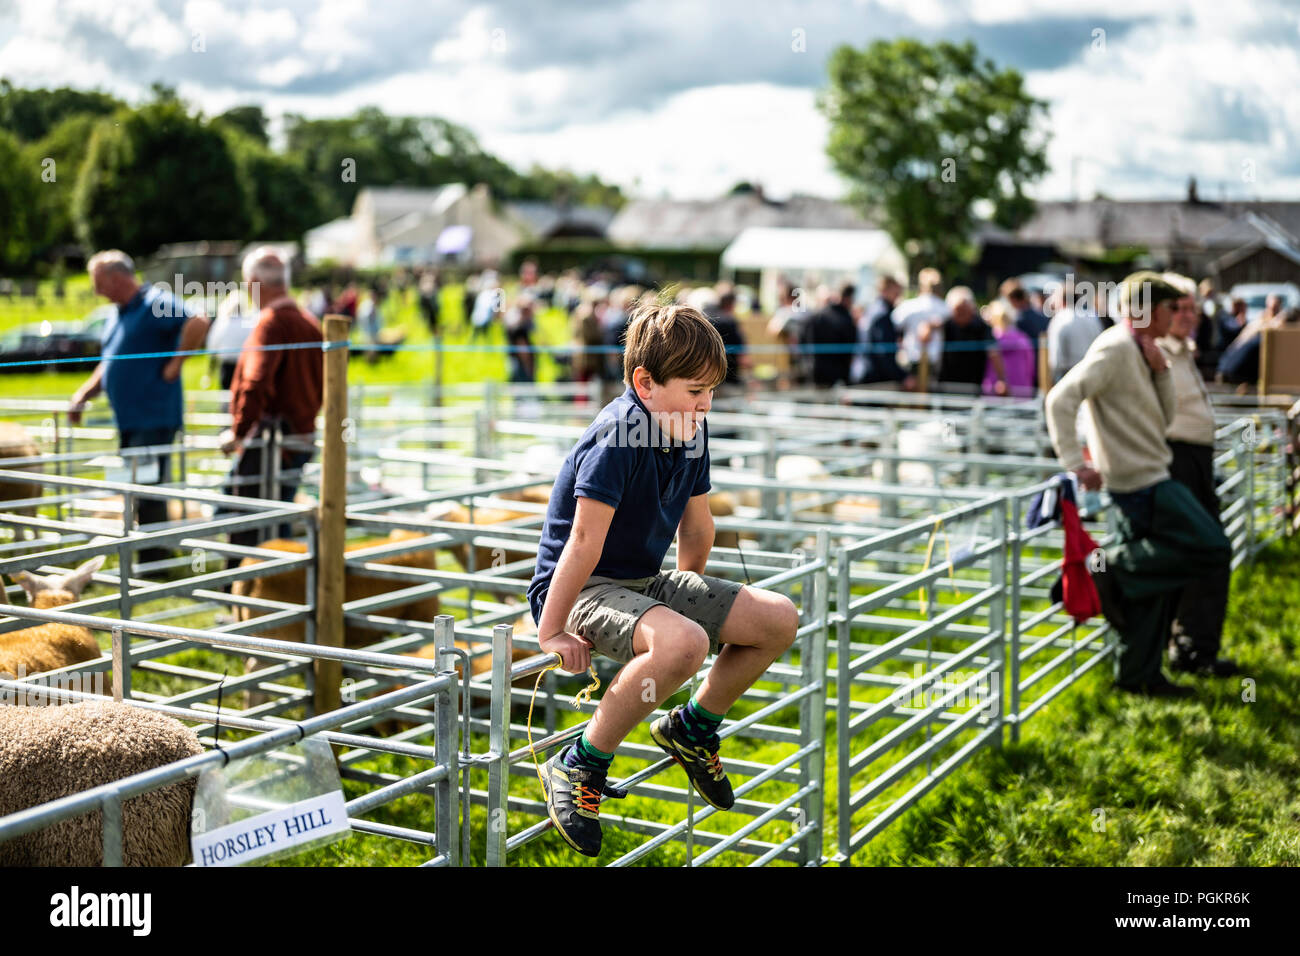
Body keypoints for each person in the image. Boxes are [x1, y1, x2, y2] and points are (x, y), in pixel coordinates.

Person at [527, 299, 798, 857]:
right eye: (695, 391)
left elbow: (698, 530)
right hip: (582, 587)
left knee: (777, 618)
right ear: (644, 382)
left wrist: (682, 600)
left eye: (711, 391)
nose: (706, 405)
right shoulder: (617, 436)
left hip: (643, 583)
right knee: (685, 642)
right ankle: (578, 765)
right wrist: (551, 631)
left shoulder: (688, 432)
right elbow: (581, 543)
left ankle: (692, 728)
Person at [1045, 271, 1232, 697]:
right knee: (1213, 546)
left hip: (1151, 475)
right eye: (1172, 308)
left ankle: (1137, 677)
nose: (1179, 315)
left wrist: (1161, 373)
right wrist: (1076, 462)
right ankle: (1105, 569)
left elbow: (1164, 419)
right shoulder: (1113, 349)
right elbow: (1060, 398)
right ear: (1148, 311)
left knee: (1154, 583)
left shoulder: (1143, 351)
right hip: (1139, 483)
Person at [70, 250, 209, 565]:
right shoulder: (118, 313)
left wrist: (175, 366)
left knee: (148, 487)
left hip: (153, 415)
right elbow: (109, 363)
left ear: (117, 278)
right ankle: (146, 553)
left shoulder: (154, 303)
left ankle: (154, 559)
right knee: (134, 486)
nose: (95, 290)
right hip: (130, 419)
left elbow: (198, 321)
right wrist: (84, 394)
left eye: (98, 282)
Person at [1157, 274, 1238, 676]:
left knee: (1194, 553)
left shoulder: (1183, 351)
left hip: (1195, 461)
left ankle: (1187, 647)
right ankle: (1190, 651)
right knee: (1210, 550)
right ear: (1161, 312)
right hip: (1175, 460)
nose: (1189, 315)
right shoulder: (1155, 353)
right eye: (1179, 308)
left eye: (1192, 308)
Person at [220, 247, 324, 559]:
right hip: (299, 438)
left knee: (243, 516)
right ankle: (280, 589)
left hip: (271, 442)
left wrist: (239, 432)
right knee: (277, 513)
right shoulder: (310, 323)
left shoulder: (271, 324)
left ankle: (241, 595)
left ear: (253, 283)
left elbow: (256, 381)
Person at [925, 287, 1007, 394]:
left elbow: (994, 353)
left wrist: (1002, 380)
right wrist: (927, 328)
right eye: (957, 311)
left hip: (972, 386)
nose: (960, 315)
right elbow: (927, 330)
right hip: (945, 385)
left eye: (964, 311)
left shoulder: (982, 327)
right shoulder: (946, 323)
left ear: (971, 308)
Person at [854, 275, 913, 387]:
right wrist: (903, 376)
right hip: (874, 377)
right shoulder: (882, 314)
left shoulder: (872, 310)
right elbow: (883, 353)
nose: (898, 296)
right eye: (896, 292)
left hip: (864, 372)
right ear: (886, 290)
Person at [801, 282, 859, 387]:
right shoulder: (845, 319)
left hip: (814, 371)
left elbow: (803, 342)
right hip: (836, 374)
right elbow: (850, 348)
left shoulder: (816, 316)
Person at [1046, 284, 1104, 386]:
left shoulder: (1060, 319)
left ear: (1062, 301)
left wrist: (1052, 377)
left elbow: (1056, 360)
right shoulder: (1092, 318)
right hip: (1091, 370)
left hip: (1068, 375)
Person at [892, 268, 947, 374]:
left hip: (914, 359)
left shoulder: (908, 306)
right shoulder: (944, 308)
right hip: (931, 360)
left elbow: (894, 323)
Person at [1003, 280, 1051, 389]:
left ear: (1013, 300)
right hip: (1043, 364)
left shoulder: (1018, 321)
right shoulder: (1041, 316)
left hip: (1027, 368)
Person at [983, 300, 1034, 397]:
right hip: (1021, 391)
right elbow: (1030, 366)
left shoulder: (991, 340)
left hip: (994, 391)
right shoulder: (1023, 339)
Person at [705, 286, 749, 390]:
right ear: (732, 304)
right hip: (728, 374)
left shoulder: (705, 314)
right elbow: (743, 355)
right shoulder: (729, 321)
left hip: (707, 371)